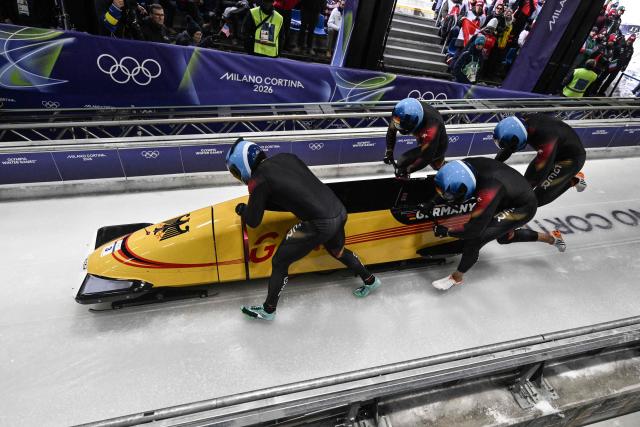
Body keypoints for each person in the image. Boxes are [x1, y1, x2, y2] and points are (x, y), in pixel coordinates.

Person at [226, 139, 381, 320]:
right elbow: (296, 185)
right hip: (338, 210)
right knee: (338, 251)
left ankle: (268, 310)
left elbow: (253, 221)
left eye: (236, 172)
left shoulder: (259, 180)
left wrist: (243, 210)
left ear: (243, 165)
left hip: (319, 223)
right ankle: (370, 280)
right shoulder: (286, 156)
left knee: (279, 261)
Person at [426, 158, 565, 290]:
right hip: (506, 194)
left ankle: (457, 277)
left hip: (522, 207)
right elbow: (447, 185)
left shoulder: (488, 193)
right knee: (504, 238)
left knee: (476, 239)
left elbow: (473, 231)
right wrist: (431, 202)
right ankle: (552, 238)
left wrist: (447, 231)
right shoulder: (462, 167)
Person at [493, 114, 587, 207]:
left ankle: (572, 180)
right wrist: (493, 165)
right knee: (526, 185)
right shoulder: (524, 123)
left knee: (536, 199)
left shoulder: (546, 140)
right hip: (555, 151)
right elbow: (509, 148)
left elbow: (539, 174)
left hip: (570, 159)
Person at [383, 98, 449, 179]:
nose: (398, 127)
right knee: (403, 164)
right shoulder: (401, 113)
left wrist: (407, 170)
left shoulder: (432, 127)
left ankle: (446, 170)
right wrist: (389, 151)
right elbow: (391, 130)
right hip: (423, 136)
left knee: (403, 161)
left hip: (438, 144)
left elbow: (426, 157)